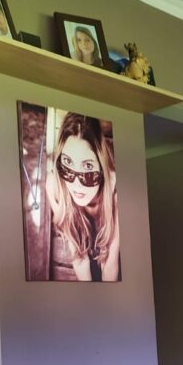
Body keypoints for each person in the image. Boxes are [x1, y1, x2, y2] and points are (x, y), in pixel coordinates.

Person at [45, 112, 120, 281]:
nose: (77, 184)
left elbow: (110, 263)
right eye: (68, 164)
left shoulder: (115, 191)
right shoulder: (56, 187)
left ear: (101, 167)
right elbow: (79, 257)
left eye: (87, 167)